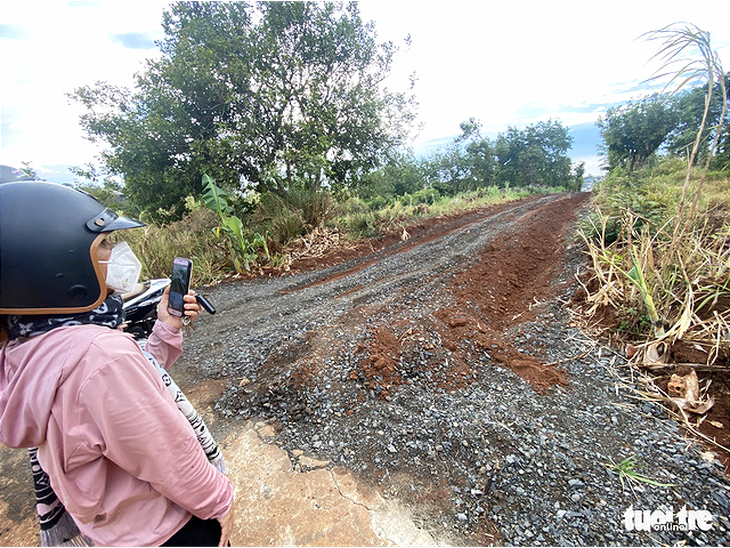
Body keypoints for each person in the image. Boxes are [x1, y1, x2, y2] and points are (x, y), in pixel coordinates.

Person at [0, 180, 235, 547]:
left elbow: (118, 401)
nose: (117, 251)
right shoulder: (100, 355)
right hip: (167, 530)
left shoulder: (28, 347)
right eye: (105, 243)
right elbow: (164, 452)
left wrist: (168, 327)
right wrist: (219, 501)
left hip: (113, 531)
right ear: (60, 262)